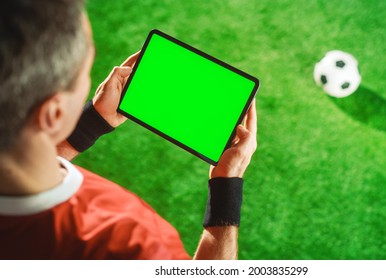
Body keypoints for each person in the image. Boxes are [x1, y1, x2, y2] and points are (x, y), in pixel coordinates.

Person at [0, 0, 257, 259]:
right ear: (53, 113)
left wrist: (91, 124)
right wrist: (227, 187)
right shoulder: (130, 241)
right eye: (83, 71)